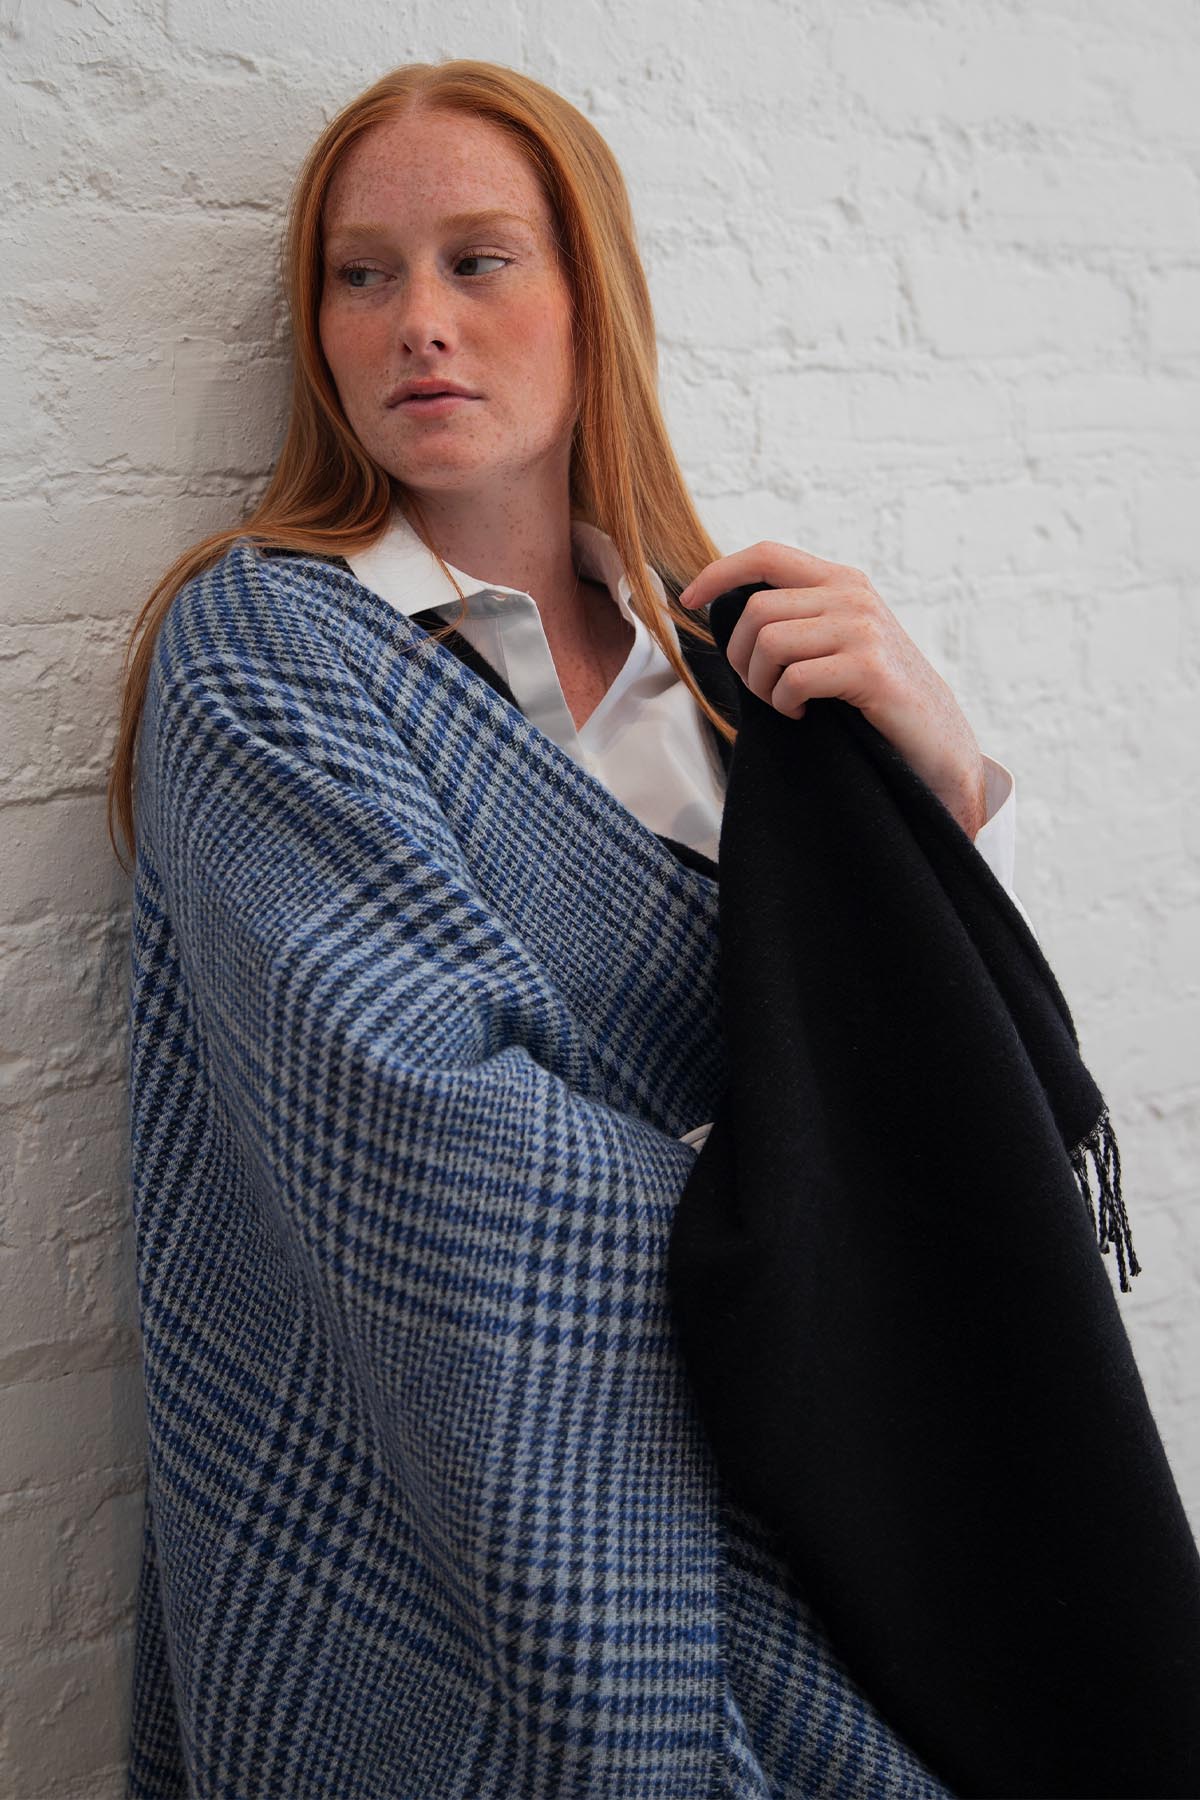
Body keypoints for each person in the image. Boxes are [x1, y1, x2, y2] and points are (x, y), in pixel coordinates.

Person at [109, 60, 1046, 1800]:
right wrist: (839, 1208)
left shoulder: (733, 665)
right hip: (477, 1509)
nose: (418, 321)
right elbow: (433, 1142)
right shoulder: (273, 647)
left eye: (479, 261)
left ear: (588, 293)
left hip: (839, 1501)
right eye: (361, 274)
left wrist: (942, 783)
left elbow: (939, 1064)